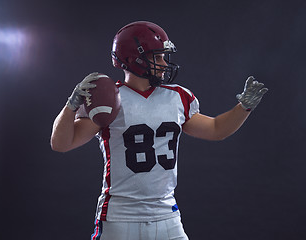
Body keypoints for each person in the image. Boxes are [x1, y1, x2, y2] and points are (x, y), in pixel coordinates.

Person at [50, 21, 268, 240]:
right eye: (157, 57)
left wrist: (244, 107)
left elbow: (216, 129)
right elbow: (61, 144)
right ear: (132, 59)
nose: (164, 63)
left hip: (166, 215)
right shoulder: (110, 100)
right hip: (120, 217)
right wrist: (71, 106)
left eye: (164, 56)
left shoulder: (178, 96)